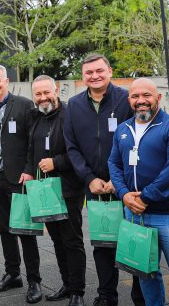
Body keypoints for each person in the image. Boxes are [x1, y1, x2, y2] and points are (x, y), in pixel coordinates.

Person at [108, 78, 169, 306]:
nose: (141, 101)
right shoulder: (122, 129)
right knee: (145, 273)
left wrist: (146, 197)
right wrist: (123, 193)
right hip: (135, 215)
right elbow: (114, 164)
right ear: (129, 100)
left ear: (158, 98)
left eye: (146, 95)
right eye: (136, 97)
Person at [64, 53, 142, 306]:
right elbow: (71, 146)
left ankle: (141, 295)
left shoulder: (125, 99)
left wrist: (117, 180)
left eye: (99, 71)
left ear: (109, 71)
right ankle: (107, 295)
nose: (94, 76)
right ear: (82, 76)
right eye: (89, 72)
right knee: (103, 244)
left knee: (134, 239)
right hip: (94, 187)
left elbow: (138, 138)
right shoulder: (74, 105)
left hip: (128, 185)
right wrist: (89, 178)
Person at [0, 64, 41, 303]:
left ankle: (34, 280)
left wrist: (29, 170)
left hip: (19, 179)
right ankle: (13, 273)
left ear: (6, 80)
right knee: (4, 229)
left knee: (25, 231)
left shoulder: (24, 105)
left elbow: (32, 142)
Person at [24, 75, 86, 306]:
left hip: (68, 188)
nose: (42, 98)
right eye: (38, 94)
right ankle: (67, 284)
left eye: (46, 93)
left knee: (72, 240)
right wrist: (29, 170)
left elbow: (81, 150)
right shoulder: (36, 117)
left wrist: (56, 162)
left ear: (56, 90)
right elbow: (31, 149)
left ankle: (78, 291)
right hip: (45, 191)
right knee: (58, 241)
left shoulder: (71, 114)